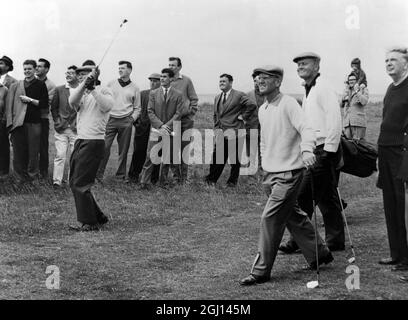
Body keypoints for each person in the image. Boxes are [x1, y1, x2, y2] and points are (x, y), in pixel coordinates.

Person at [239, 66, 333, 286]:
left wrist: (308, 149)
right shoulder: (263, 108)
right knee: (292, 214)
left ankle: (261, 271)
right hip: (270, 173)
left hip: (289, 174)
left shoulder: (289, 103)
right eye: (257, 78)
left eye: (265, 78)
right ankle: (320, 253)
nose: (259, 82)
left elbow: (307, 128)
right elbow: (265, 141)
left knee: (269, 218)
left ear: (278, 82)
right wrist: (263, 164)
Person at [279, 52, 345, 254]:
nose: (300, 66)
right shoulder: (309, 89)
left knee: (302, 196)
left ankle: (298, 240)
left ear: (316, 65)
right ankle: (335, 240)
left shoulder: (323, 87)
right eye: (298, 64)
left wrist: (329, 151)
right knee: (327, 195)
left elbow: (334, 119)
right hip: (316, 148)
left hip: (324, 148)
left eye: (304, 63)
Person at [68, 60, 114, 231]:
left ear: (95, 75)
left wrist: (93, 88)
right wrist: (84, 86)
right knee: (74, 181)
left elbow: (106, 106)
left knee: (81, 183)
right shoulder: (80, 93)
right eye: (79, 75)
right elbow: (72, 102)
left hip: (94, 141)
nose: (81, 78)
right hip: (80, 140)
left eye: (85, 75)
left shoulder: (104, 90)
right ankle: (98, 216)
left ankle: (89, 222)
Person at [377, 47, 408, 275]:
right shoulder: (390, 88)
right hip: (385, 153)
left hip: (402, 154)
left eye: (394, 60)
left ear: (405, 64)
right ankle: (396, 253)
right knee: (390, 204)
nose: (388, 63)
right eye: (386, 60)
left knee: (403, 205)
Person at [205, 74, 257, 187]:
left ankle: (232, 183)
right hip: (221, 131)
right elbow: (216, 114)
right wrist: (216, 127)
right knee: (217, 157)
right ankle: (211, 180)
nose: (221, 83)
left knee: (234, 160)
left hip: (236, 131)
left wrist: (243, 116)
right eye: (220, 81)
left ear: (231, 83)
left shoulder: (239, 95)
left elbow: (252, 105)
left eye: (224, 81)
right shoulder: (217, 97)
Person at [139, 68, 184, 189]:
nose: (162, 79)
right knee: (151, 156)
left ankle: (164, 182)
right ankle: (144, 182)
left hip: (170, 130)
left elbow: (179, 113)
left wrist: (167, 126)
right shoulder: (153, 93)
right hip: (156, 129)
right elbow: (150, 111)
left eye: (165, 77)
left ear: (171, 79)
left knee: (169, 157)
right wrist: (160, 125)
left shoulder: (178, 94)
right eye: (161, 77)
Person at [5, 59, 48, 182]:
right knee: (18, 152)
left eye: (29, 69)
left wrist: (30, 100)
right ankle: (19, 179)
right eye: (25, 69)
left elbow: (44, 104)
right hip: (18, 124)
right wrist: (10, 124)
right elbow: (9, 106)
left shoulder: (40, 85)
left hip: (34, 123)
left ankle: (32, 177)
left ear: (35, 69)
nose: (27, 71)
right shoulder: (15, 86)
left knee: (33, 152)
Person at [96, 61, 141, 181]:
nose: (120, 70)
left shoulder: (135, 88)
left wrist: (132, 119)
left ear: (130, 70)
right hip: (110, 120)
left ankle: (120, 176)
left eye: (123, 68)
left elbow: (137, 108)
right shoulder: (111, 84)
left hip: (126, 121)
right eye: (119, 68)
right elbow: (104, 100)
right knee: (104, 147)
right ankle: (98, 175)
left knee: (123, 150)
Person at [168, 57, 199, 183]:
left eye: (173, 65)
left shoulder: (186, 81)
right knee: (171, 149)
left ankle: (184, 179)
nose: (171, 67)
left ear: (179, 67)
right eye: (169, 65)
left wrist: (190, 112)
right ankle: (176, 177)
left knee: (184, 150)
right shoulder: (165, 80)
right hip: (171, 121)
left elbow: (194, 98)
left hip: (185, 121)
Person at [128, 73, 161, 183]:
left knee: (155, 152)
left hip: (156, 128)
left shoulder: (162, 95)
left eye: (156, 81)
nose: (153, 82)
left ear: (161, 82)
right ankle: (133, 176)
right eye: (151, 80)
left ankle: (153, 178)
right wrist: (136, 123)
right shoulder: (143, 94)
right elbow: (134, 108)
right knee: (139, 151)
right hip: (142, 127)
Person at [50, 65, 79, 187]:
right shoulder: (59, 89)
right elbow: (54, 108)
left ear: (77, 76)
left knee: (74, 156)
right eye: (66, 73)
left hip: (76, 129)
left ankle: (71, 180)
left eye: (71, 73)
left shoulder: (81, 90)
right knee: (60, 155)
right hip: (61, 128)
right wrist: (57, 121)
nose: (68, 75)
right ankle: (57, 181)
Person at [36, 58, 56, 179]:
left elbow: (46, 102)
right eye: (36, 66)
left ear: (46, 69)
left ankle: (43, 173)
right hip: (28, 119)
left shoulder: (51, 85)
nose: (37, 68)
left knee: (42, 146)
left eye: (40, 66)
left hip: (42, 119)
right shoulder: (30, 81)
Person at [0, 55, 17, 177]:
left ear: (8, 66)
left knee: (3, 146)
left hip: (3, 119)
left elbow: (10, 103)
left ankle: (4, 173)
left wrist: (6, 120)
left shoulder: (12, 82)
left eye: (1, 63)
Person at [341, 73, 369, 140]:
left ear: (357, 81)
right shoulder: (347, 91)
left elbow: (364, 101)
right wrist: (343, 97)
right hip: (347, 123)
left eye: (353, 79)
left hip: (358, 123)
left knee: (359, 146)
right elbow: (341, 105)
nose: (351, 81)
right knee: (348, 147)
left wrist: (357, 91)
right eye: (350, 80)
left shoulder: (363, 89)